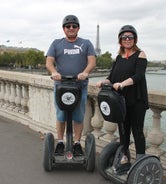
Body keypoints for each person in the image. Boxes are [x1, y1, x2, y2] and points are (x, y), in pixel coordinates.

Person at [96, 25, 149, 165]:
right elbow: (111, 77)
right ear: (120, 40)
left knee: (137, 131)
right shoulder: (119, 57)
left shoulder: (140, 54)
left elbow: (139, 75)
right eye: (124, 37)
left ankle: (140, 160)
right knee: (124, 130)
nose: (127, 39)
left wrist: (122, 83)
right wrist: (104, 81)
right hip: (122, 100)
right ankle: (124, 156)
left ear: (135, 39)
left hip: (137, 99)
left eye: (130, 37)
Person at [46, 15, 96, 155]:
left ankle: (77, 143)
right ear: (64, 29)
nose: (71, 28)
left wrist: (85, 72)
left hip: (80, 86)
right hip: (61, 86)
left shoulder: (86, 43)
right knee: (61, 115)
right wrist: (54, 71)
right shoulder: (56, 43)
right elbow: (49, 61)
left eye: (74, 26)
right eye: (68, 26)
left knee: (79, 116)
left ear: (78, 28)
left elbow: (92, 61)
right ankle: (60, 142)